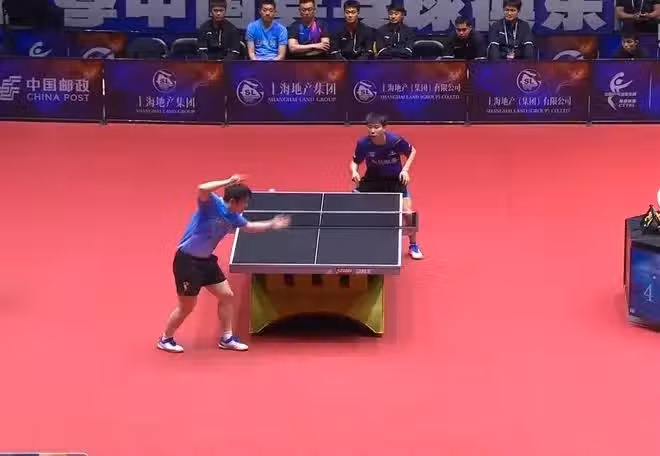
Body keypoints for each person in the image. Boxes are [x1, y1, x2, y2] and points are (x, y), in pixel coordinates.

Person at [158, 175, 290, 353]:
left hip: (206, 262)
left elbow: (250, 227)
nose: (246, 206)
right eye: (244, 202)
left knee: (226, 295)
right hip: (187, 262)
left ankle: (227, 338)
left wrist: (272, 224)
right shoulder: (212, 204)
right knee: (187, 306)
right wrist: (228, 181)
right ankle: (165, 339)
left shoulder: (234, 217)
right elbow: (202, 188)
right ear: (233, 201)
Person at [350, 113, 423, 260]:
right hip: (373, 180)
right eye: (370, 127)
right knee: (351, 204)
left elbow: (412, 151)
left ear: (384, 128)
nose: (372, 130)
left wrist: (405, 170)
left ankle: (413, 245)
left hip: (395, 181)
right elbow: (355, 161)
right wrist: (354, 171)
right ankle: (356, 240)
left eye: (376, 127)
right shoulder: (363, 144)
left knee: (408, 213)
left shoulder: (395, 141)